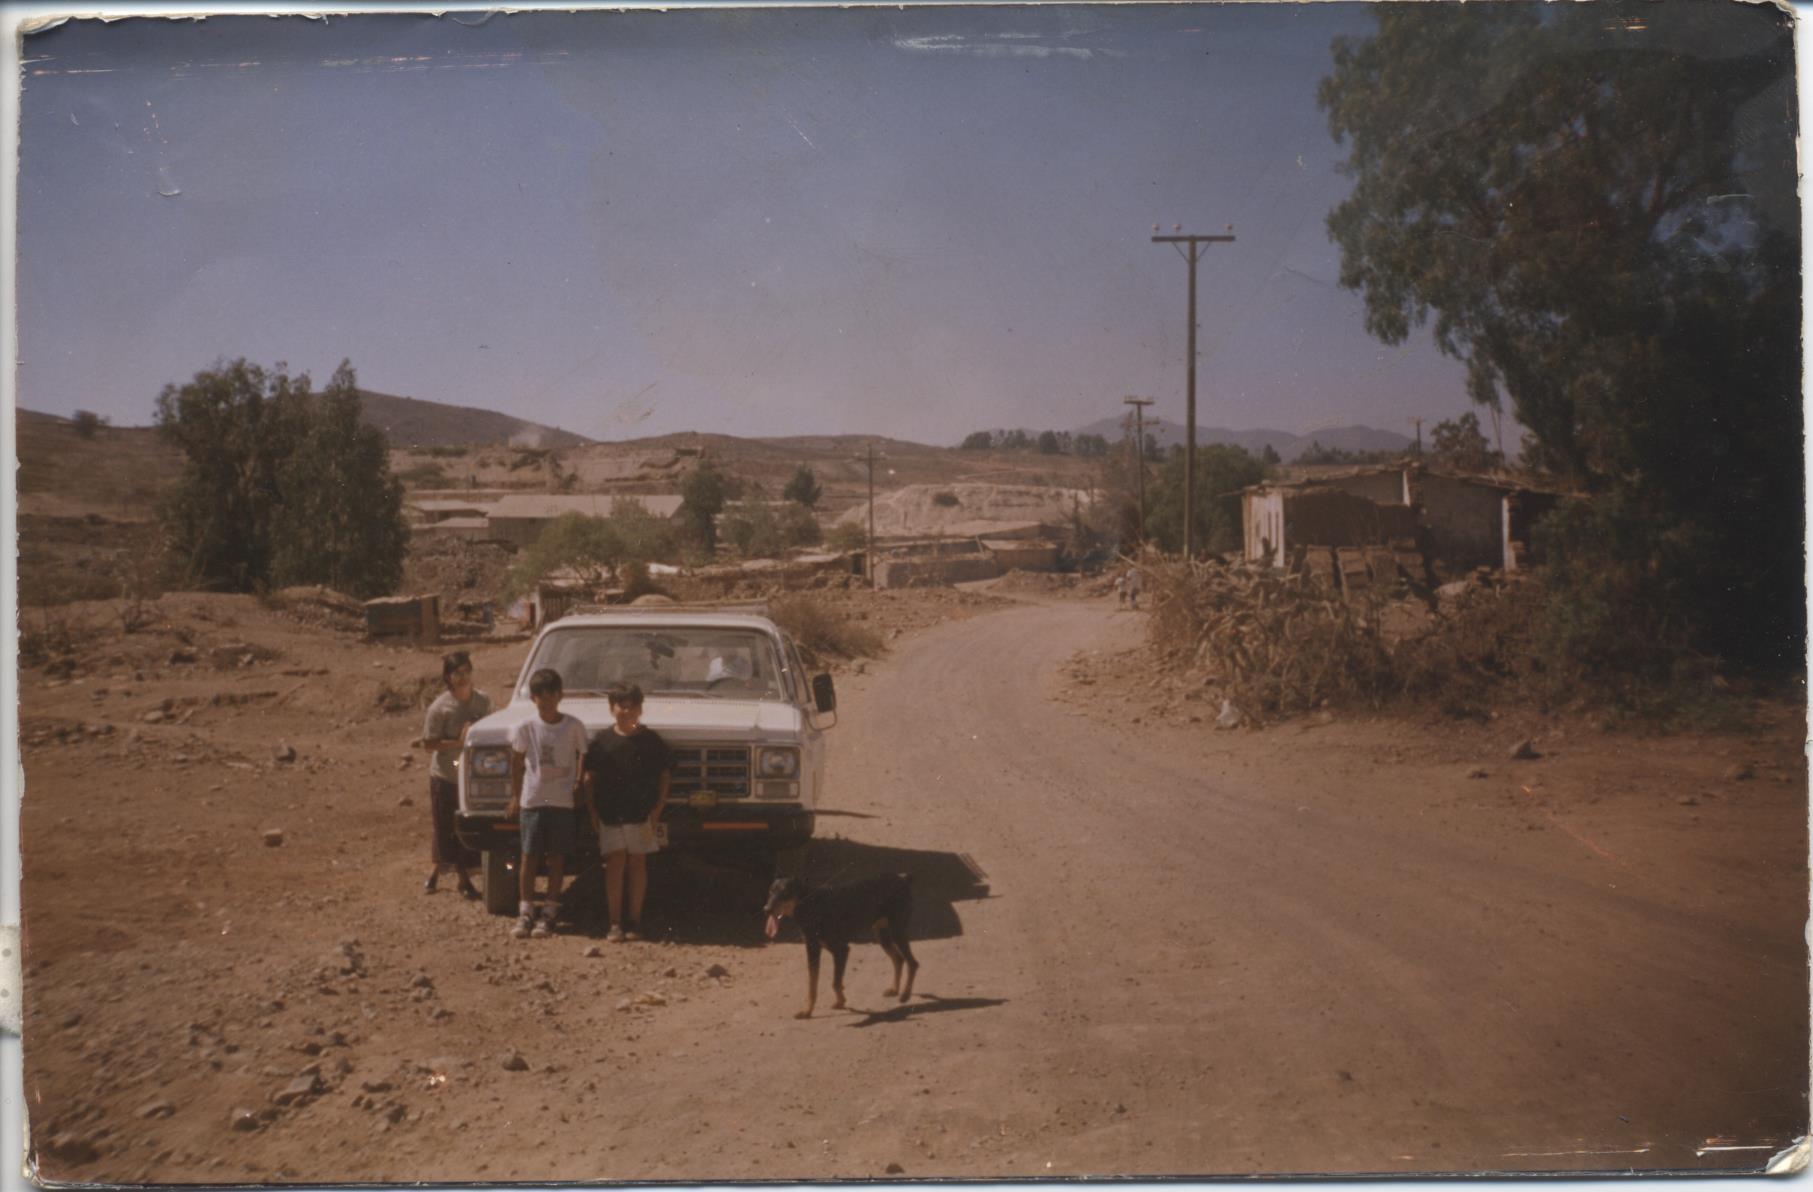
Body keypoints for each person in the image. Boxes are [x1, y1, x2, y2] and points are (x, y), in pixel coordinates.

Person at [583, 682, 674, 943]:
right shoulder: (602, 741)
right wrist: (591, 810)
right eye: (621, 706)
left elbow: (664, 775)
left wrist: (658, 809)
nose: (626, 711)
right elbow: (590, 777)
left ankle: (634, 921)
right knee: (614, 864)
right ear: (612, 709)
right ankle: (614, 923)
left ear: (640, 709)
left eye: (632, 706)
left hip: (641, 814)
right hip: (610, 814)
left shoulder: (651, 741)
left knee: (637, 863)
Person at [505, 668, 588, 939]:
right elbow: (516, 764)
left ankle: (550, 911)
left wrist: (578, 784)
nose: (547, 700)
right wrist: (517, 797)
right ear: (533, 698)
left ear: (560, 695)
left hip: (561, 801)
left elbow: (582, 756)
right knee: (529, 856)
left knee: (556, 857)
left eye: (551, 694)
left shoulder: (573, 725)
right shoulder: (525, 727)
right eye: (541, 695)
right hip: (533, 800)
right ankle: (526, 910)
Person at [418, 651, 489, 899]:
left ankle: (449, 875)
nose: (462, 677)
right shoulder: (440, 708)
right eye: (456, 673)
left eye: (466, 671)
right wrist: (458, 742)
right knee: (444, 826)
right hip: (445, 776)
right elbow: (429, 744)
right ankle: (450, 875)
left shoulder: (482, 701)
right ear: (448, 677)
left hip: (471, 776)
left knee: (465, 826)